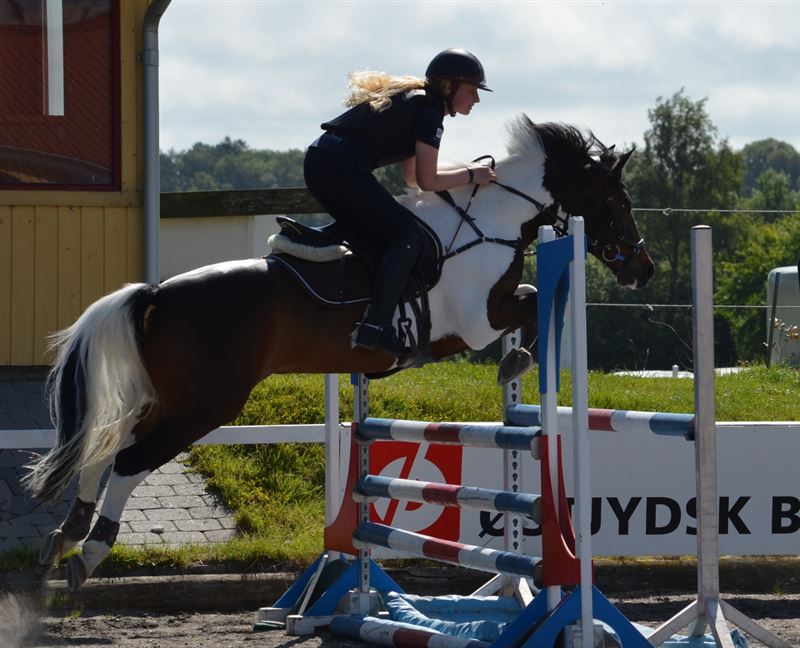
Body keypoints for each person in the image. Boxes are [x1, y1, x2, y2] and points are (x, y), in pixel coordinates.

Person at [303, 48, 496, 358]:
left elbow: (413, 178)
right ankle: (376, 326)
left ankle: (353, 309)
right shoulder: (429, 112)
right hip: (339, 167)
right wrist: (473, 175)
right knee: (408, 237)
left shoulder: (419, 102)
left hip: (321, 161)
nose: (476, 99)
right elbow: (428, 181)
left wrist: (466, 173)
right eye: (472, 90)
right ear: (449, 86)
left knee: (376, 235)